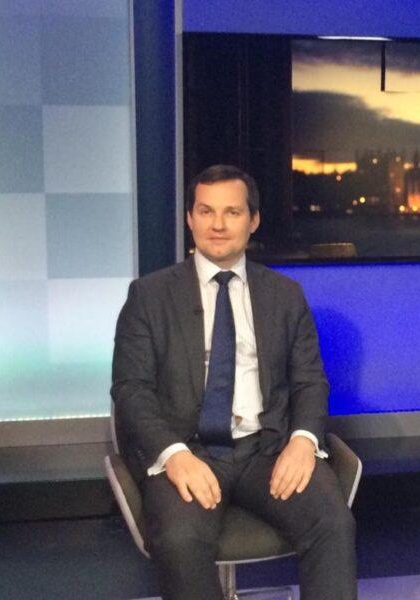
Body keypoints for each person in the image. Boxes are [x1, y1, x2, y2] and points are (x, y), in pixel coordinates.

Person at [111, 164, 357, 600]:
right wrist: (173, 454)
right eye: (206, 211)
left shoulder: (285, 295)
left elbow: (309, 381)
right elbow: (131, 390)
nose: (218, 225)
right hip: (190, 449)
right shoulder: (149, 296)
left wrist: (303, 441)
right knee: (180, 540)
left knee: (332, 523)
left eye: (232, 212)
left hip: (268, 448)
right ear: (190, 218)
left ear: (253, 220)